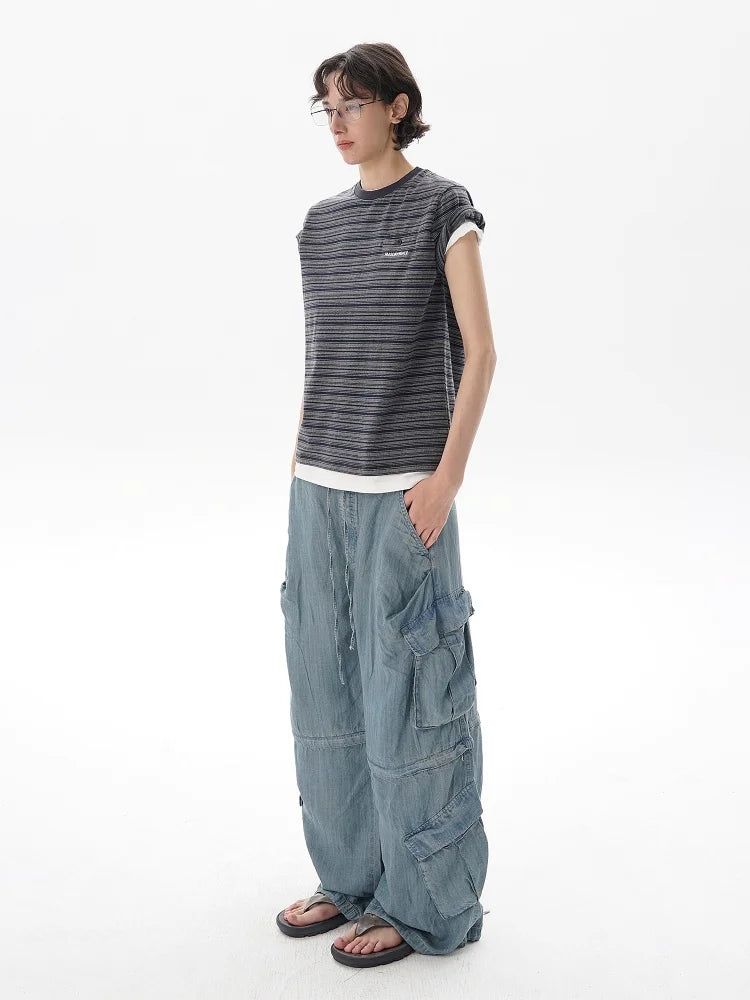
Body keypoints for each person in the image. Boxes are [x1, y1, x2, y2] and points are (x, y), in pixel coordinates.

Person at [276, 42, 497, 968]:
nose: (337, 122)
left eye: (352, 104)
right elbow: (323, 354)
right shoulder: (319, 226)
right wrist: (300, 455)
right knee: (324, 697)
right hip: (317, 490)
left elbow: (482, 352)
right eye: (325, 107)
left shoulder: (444, 209)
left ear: (398, 107)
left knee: (413, 701)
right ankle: (351, 881)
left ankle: (427, 904)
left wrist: (446, 480)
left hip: (404, 496)